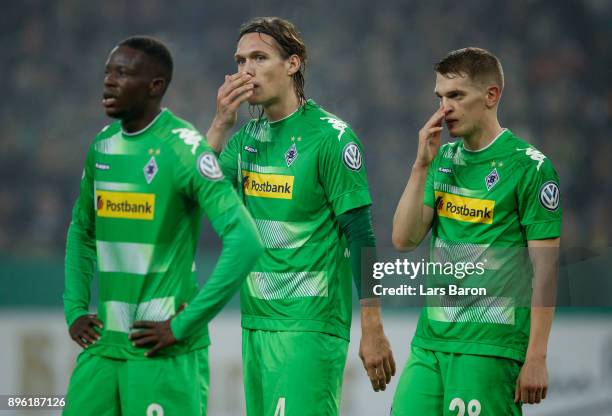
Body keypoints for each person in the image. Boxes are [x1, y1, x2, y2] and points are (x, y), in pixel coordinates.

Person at [204, 17, 395, 416]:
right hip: (256, 324)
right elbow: (196, 197)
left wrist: (372, 325)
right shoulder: (243, 142)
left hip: (309, 325)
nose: (246, 70)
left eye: (259, 57)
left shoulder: (331, 138)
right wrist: (221, 123)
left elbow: (361, 235)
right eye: (240, 61)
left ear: (293, 64)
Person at [62, 36, 263, 415]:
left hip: (161, 352)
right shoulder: (102, 146)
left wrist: (184, 324)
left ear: (155, 86)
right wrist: (74, 308)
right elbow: (81, 230)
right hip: (104, 348)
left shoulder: (183, 148)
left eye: (123, 73)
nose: (108, 82)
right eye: (108, 72)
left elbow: (246, 241)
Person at [391, 47, 561, 415]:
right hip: (430, 344)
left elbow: (546, 271)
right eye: (439, 97)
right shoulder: (443, 161)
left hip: (489, 348)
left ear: (491, 96)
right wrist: (421, 165)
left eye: (456, 96)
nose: (443, 108)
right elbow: (404, 239)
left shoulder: (529, 168)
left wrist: (536, 357)